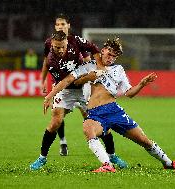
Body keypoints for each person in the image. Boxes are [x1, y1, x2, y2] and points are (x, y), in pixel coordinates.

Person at [44, 37, 175, 172]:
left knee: (144, 140)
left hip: (114, 111)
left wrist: (141, 84)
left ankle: (169, 163)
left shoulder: (118, 70)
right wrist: (53, 94)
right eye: (109, 54)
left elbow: (129, 93)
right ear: (102, 51)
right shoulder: (89, 66)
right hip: (95, 114)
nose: (111, 58)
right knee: (88, 129)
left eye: (114, 56)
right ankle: (107, 165)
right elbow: (72, 81)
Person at [38, 13, 127, 168]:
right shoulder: (51, 55)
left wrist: (98, 67)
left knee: (98, 120)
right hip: (65, 88)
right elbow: (64, 80)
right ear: (51, 44)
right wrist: (47, 91)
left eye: (62, 47)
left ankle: (112, 156)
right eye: (56, 47)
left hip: (84, 88)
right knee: (55, 121)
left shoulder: (76, 41)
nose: (59, 50)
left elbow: (94, 49)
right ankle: (42, 158)